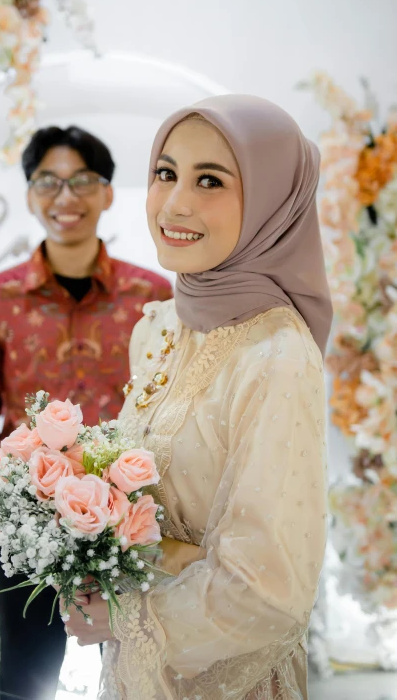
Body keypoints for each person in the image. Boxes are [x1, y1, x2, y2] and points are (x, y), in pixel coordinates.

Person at [63, 96, 333, 700]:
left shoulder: (278, 357)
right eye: (165, 173)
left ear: (272, 202)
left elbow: (271, 592)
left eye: (210, 179)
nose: (175, 203)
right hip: (135, 675)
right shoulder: (160, 327)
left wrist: (130, 616)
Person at [0, 125, 172, 700]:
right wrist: (1, 523)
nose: (64, 197)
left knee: (135, 678)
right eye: (48, 181)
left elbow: (177, 409)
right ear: (29, 194)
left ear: (107, 194)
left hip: (128, 534)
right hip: (28, 537)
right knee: (27, 685)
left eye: (82, 181)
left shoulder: (152, 296)